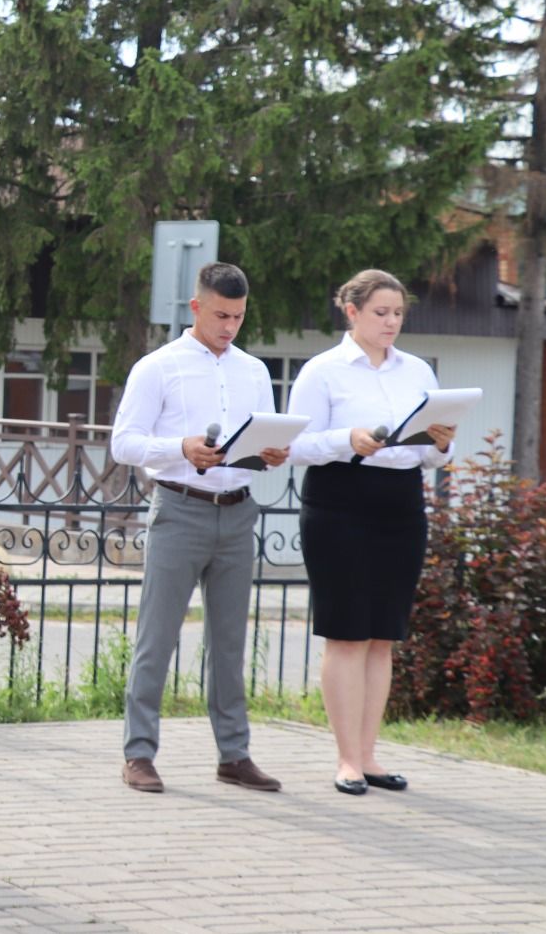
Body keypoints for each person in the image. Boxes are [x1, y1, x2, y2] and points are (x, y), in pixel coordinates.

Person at [110, 262, 288, 794]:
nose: (229, 326)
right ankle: (138, 753)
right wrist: (179, 448)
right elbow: (124, 442)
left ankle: (234, 755)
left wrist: (273, 451)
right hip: (179, 508)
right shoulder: (158, 367)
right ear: (195, 308)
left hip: (238, 511)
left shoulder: (254, 371)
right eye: (219, 315)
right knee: (157, 637)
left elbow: (262, 435)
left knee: (230, 641)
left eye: (237, 316)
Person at [287, 269, 454, 796]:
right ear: (352, 311)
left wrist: (443, 442)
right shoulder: (323, 370)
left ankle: (369, 755)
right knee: (347, 633)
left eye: (399, 313)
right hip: (339, 500)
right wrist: (347, 440)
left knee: (383, 635)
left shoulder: (418, 372)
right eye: (381, 312)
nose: (391, 322)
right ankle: (345, 760)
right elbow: (295, 446)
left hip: (400, 504)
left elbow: (428, 454)